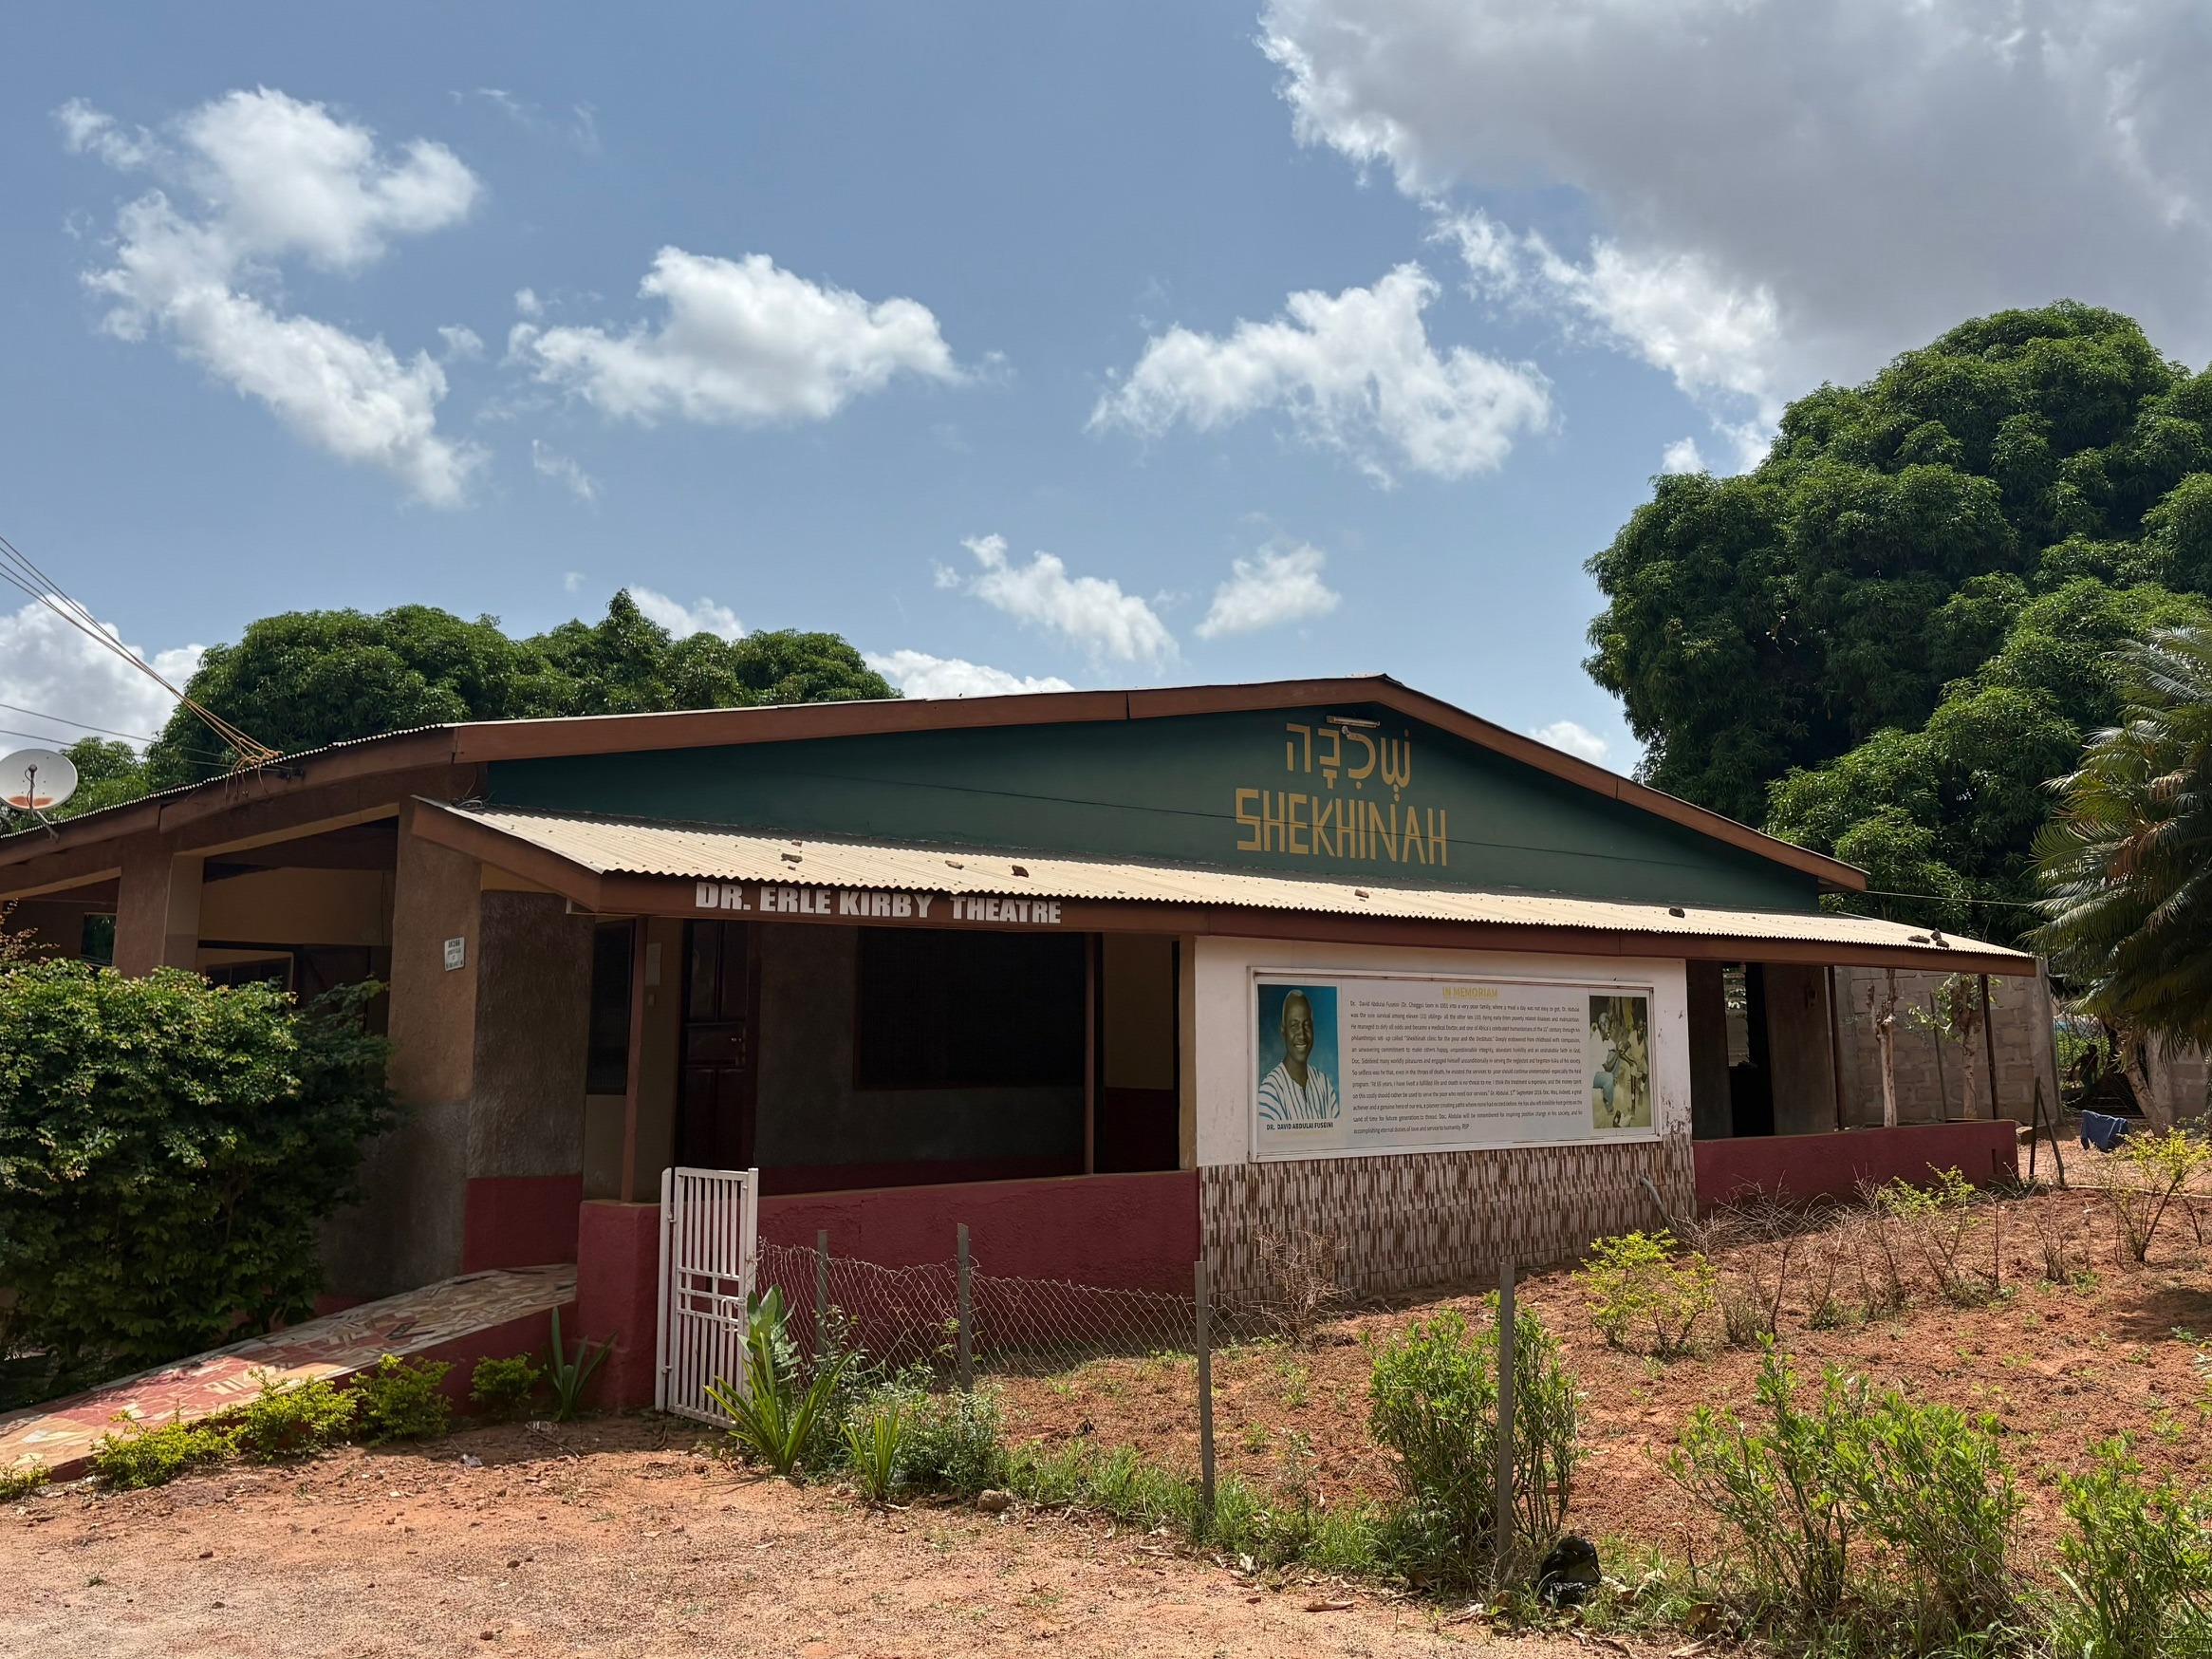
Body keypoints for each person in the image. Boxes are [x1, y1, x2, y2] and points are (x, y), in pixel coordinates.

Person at [1258, 988, 1338, 1124]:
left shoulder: (1324, 1084)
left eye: (1307, 1025)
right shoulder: (1270, 1090)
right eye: (1294, 1025)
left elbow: (1338, 1134)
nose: (1302, 1034)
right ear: (1283, 1030)